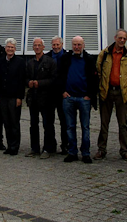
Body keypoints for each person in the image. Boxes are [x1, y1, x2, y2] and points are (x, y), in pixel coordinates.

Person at [94, 29, 127, 161]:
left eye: (124, 38)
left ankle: (124, 150)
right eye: (120, 38)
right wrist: (101, 87)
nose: (122, 40)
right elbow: (98, 69)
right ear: (115, 38)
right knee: (104, 123)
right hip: (107, 92)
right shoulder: (105, 53)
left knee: (123, 124)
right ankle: (101, 149)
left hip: (122, 93)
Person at [59, 35, 98, 163]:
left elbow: (95, 80)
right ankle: (72, 152)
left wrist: (90, 96)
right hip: (68, 98)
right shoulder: (65, 58)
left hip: (84, 99)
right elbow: (59, 76)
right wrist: (63, 92)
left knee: (85, 127)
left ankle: (86, 153)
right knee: (70, 127)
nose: (76, 47)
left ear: (83, 45)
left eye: (79, 44)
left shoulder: (90, 59)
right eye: (74, 44)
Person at [25, 37, 57, 159]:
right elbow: (25, 77)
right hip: (33, 98)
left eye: (39, 45)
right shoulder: (30, 62)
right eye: (35, 45)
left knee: (47, 124)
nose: (37, 47)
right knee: (33, 124)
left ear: (43, 47)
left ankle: (48, 148)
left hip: (47, 98)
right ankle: (35, 148)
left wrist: (40, 83)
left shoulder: (50, 62)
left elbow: (54, 79)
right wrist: (29, 83)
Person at [0, 38, 25, 156]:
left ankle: (15, 146)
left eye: (12, 47)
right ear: (5, 48)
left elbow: (22, 81)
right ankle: (9, 145)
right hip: (2, 97)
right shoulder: (0, 61)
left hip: (14, 97)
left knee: (14, 122)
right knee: (6, 122)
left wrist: (19, 97)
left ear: (15, 49)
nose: (10, 49)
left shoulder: (20, 62)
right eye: (8, 47)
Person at [46, 35, 69, 154]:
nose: (55, 47)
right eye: (53, 45)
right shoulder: (47, 56)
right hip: (49, 94)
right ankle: (51, 145)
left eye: (57, 45)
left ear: (62, 45)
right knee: (49, 121)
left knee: (64, 121)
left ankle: (65, 145)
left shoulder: (67, 57)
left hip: (63, 94)